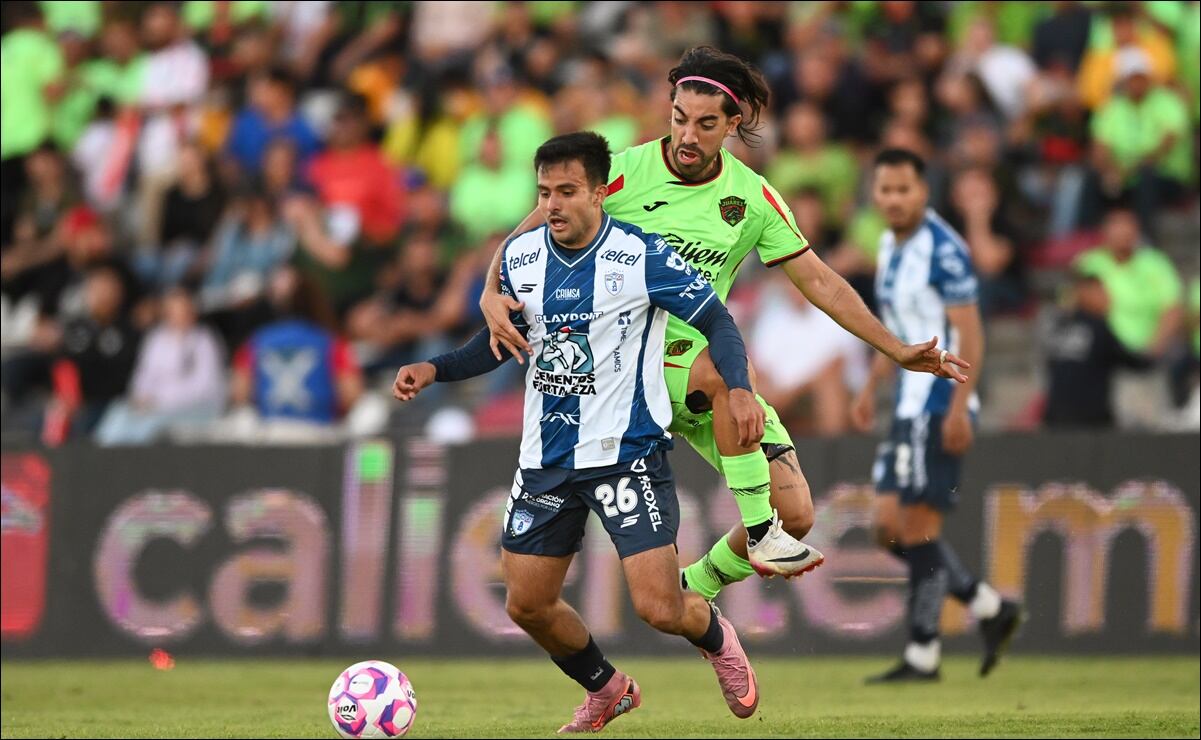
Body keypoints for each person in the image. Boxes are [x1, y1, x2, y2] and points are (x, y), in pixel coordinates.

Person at [480, 47, 969, 600]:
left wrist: (896, 348)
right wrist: (490, 292)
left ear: (732, 125)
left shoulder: (752, 199)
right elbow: (530, 233)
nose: (688, 136)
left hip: (707, 361)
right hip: (627, 363)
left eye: (706, 124)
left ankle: (696, 588)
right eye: (679, 119)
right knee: (724, 373)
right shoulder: (618, 175)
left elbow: (823, 282)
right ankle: (759, 534)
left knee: (798, 514)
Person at [394, 132, 762, 732]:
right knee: (527, 603)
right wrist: (434, 368)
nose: (554, 205)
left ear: (599, 190)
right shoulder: (521, 259)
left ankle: (716, 635)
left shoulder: (641, 255)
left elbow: (718, 319)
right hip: (547, 458)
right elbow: (500, 346)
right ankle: (608, 688)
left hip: (627, 454)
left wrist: (739, 385)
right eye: (544, 193)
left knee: (659, 609)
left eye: (567, 191)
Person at [850, 148, 1021, 683]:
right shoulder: (886, 241)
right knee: (886, 528)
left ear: (923, 191)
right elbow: (900, 325)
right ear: (875, 195)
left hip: (936, 400)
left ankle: (924, 653)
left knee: (918, 529)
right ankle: (988, 604)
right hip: (904, 399)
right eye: (886, 190)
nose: (895, 199)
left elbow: (970, 332)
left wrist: (958, 408)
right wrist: (874, 383)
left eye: (905, 189)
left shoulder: (945, 250)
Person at [1042, 273, 1153, 428]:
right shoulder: (1098, 328)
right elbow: (1136, 363)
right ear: (1083, 294)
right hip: (1090, 420)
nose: (1108, 298)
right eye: (1101, 292)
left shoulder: (1061, 327)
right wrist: (1154, 354)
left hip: (1054, 418)